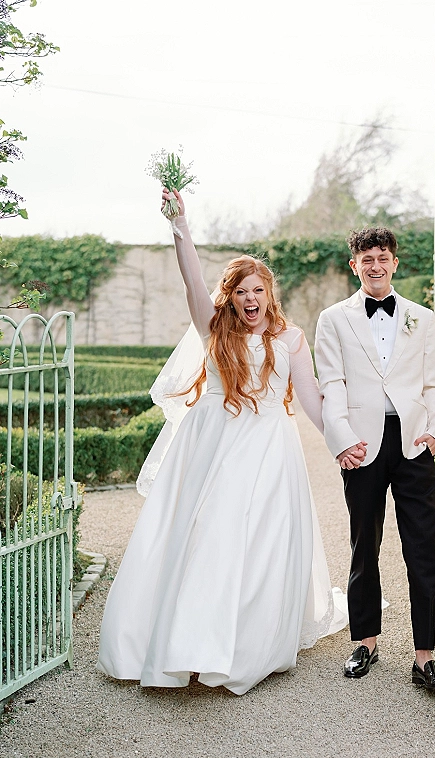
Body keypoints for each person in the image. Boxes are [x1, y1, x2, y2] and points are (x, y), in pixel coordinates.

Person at [97, 188, 348, 695]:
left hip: (270, 449)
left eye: (258, 291)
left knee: (259, 543)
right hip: (210, 442)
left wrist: (342, 443)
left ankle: (238, 643)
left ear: (269, 294)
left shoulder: (291, 340)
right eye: (241, 292)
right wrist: (180, 225)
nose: (250, 300)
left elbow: (314, 400)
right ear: (229, 296)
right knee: (200, 535)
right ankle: (184, 640)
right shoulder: (213, 328)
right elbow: (191, 278)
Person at [314, 227, 435, 690]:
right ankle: (366, 643)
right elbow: (331, 384)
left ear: (394, 263)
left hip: (414, 442)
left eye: (383, 257)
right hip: (362, 444)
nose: (375, 265)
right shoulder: (333, 319)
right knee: (363, 546)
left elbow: (434, 383)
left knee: (423, 549)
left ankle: (424, 657)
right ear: (353, 266)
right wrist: (341, 439)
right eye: (366, 259)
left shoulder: (422, 318)